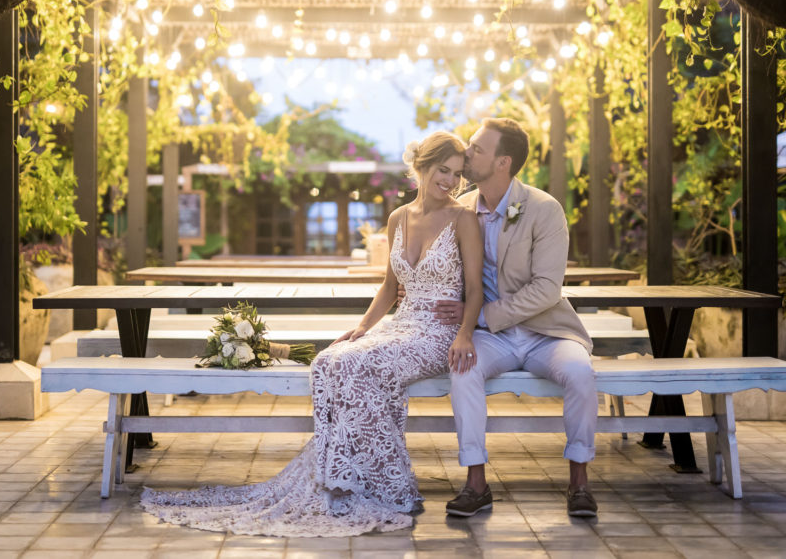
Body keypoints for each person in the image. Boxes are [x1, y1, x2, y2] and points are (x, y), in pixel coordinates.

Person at [140, 130, 484, 537]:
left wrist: (464, 333)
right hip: (401, 324)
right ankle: (340, 477)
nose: (450, 181)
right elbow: (390, 289)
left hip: (439, 333)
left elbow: (476, 290)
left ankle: (389, 486)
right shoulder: (398, 219)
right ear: (421, 167)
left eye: (458, 174)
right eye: (443, 170)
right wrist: (361, 328)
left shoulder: (463, 219)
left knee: (361, 364)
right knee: (327, 360)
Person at [439, 118, 600, 518]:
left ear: (502, 162)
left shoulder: (544, 209)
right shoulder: (458, 212)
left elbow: (548, 289)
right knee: (462, 369)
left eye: (477, 148)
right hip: (490, 338)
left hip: (547, 332)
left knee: (581, 373)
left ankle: (579, 481)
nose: (467, 152)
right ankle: (476, 483)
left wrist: (483, 315)